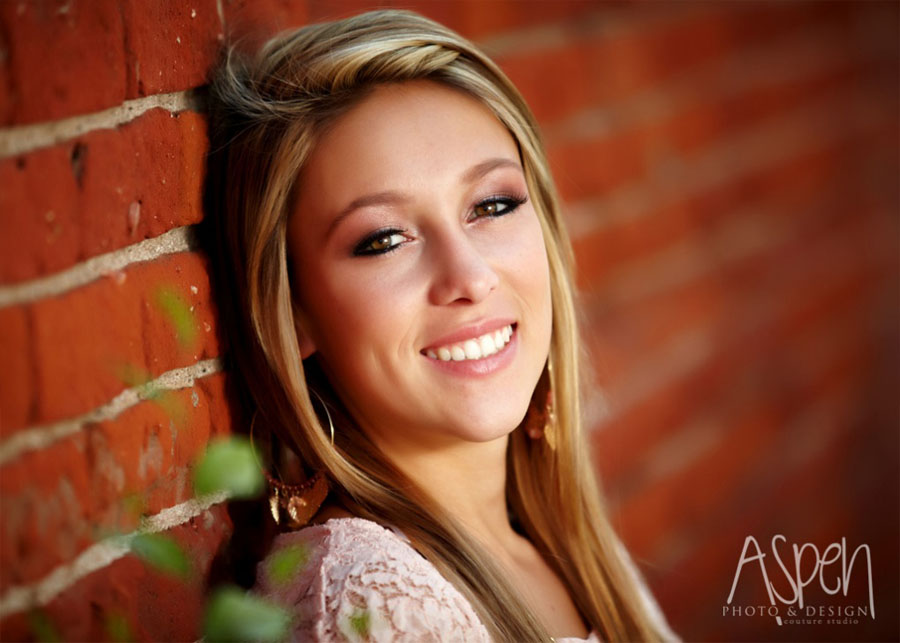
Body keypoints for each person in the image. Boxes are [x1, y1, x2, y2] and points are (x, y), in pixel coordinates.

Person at [205, 9, 678, 642]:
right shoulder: (363, 602)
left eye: (492, 205)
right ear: (294, 313)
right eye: (384, 240)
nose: (469, 277)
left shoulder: (574, 556)